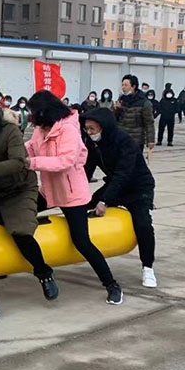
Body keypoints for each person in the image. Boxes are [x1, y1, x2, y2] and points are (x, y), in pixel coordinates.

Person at [25, 91, 123, 305]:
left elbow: (65, 161)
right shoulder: (40, 130)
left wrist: (31, 163)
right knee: (21, 216)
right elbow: (30, 148)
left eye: (34, 112)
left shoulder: (68, 129)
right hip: (49, 189)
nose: (32, 117)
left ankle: (111, 284)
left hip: (72, 194)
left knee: (82, 242)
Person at [0, 96, 59, 300]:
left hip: (18, 189)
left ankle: (43, 273)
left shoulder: (10, 132)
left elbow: (18, 162)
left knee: (20, 231)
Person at [82, 108, 158, 288]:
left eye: (92, 129)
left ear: (103, 126)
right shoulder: (93, 143)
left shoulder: (124, 141)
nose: (89, 132)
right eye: (87, 128)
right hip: (115, 184)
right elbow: (87, 170)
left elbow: (123, 174)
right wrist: (77, 194)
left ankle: (148, 268)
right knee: (84, 205)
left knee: (143, 224)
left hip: (138, 187)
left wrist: (104, 201)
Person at [114, 75, 155, 152]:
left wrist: (150, 140)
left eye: (126, 85)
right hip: (122, 138)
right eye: (122, 85)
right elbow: (115, 119)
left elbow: (149, 122)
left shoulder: (144, 102)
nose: (123, 87)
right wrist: (116, 109)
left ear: (133, 86)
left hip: (136, 140)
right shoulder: (121, 100)